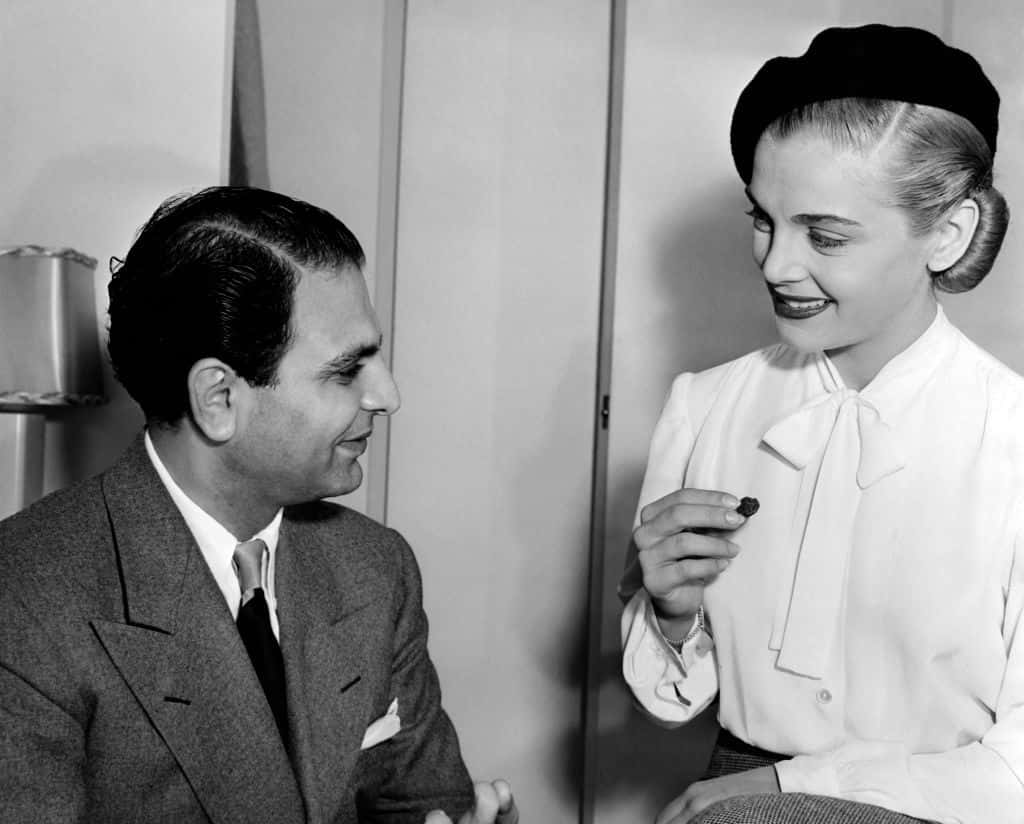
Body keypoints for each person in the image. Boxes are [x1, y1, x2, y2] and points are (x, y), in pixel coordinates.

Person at [0, 186, 517, 824]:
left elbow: (423, 801)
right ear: (218, 399)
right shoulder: (23, 598)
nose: (388, 395)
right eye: (346, 370)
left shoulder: (376, 566)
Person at [619, 24, 1023, 824]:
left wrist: (789, 789)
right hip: (730, 792)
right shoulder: (707, 406)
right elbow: (671, 701)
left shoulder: (1014, 439)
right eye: (763, 219)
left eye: (825, 235)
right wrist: (669, 612)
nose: (774, 264)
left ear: (947, 234)